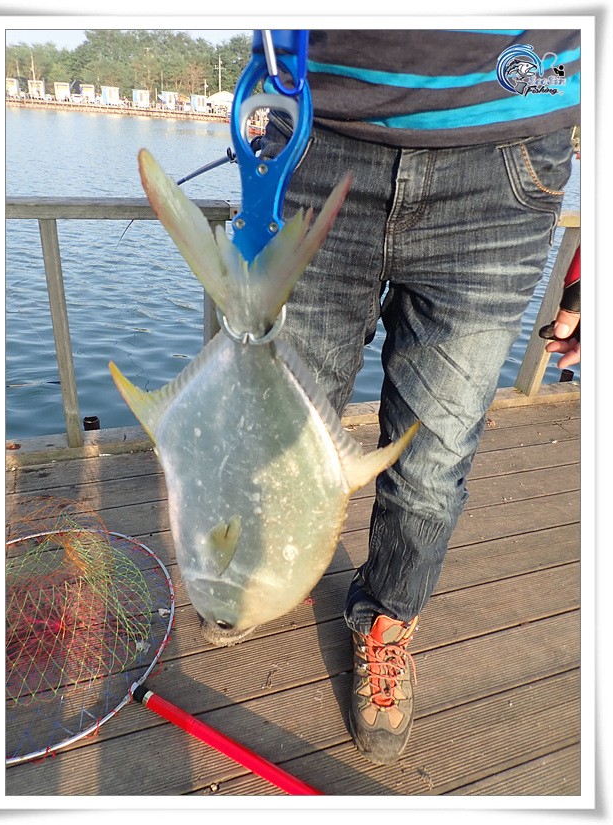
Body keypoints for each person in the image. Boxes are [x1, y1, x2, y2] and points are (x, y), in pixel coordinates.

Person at [214, 29, 581, 767]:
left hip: (507, 160)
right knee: (275, 433)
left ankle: (387, 619)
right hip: (314, 135)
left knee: (432, 462)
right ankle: (263, 570)